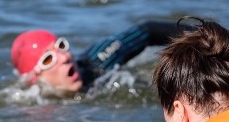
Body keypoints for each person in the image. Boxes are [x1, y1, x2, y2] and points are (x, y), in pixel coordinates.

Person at [10, 19, 185, 97]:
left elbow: (147, 30)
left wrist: (207, 35)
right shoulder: (32, 103)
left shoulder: (97, 61)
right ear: (34, 78)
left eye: (61, 47)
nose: (65, 58)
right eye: (49, 59)